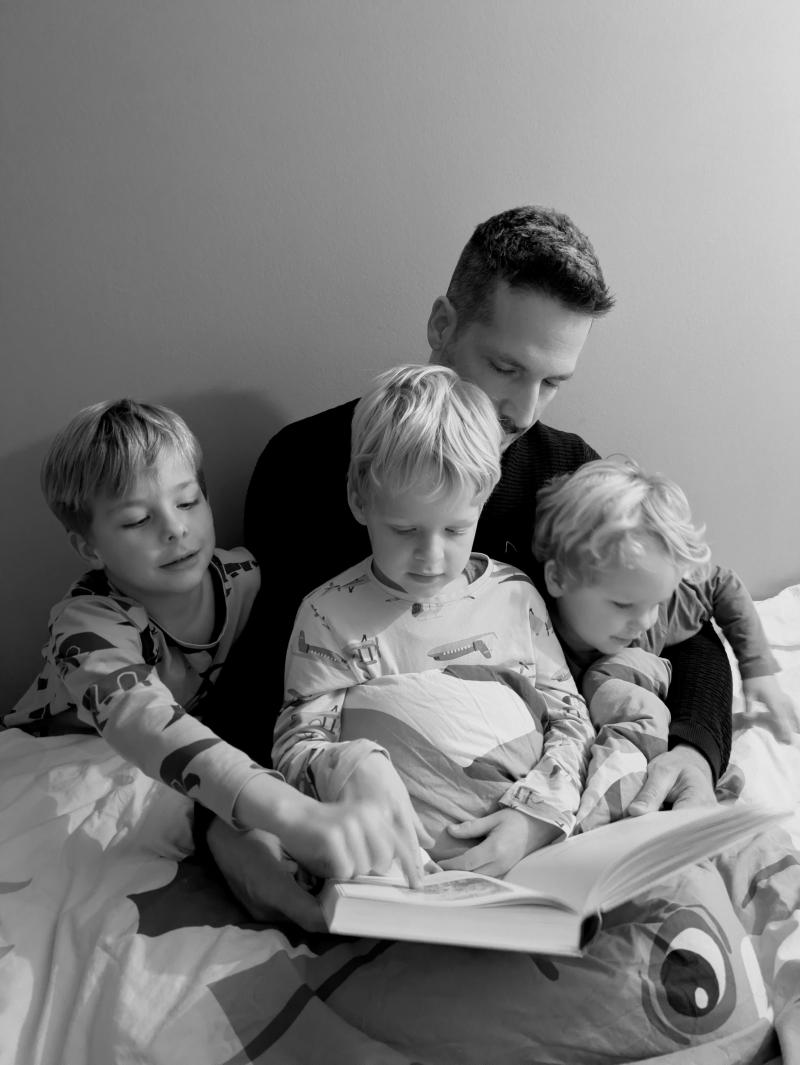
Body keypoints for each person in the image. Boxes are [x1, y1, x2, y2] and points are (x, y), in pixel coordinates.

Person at [201, 204, 733, 924]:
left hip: (533, 815)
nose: (524, 410)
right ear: (442, 324)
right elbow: (266, 673)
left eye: (554, 382)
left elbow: (678, 625)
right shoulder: (304, 465)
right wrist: (223, 824)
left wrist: (696, 749)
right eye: (506, 368)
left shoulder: (566, 474)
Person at [5, 399, 423, 889]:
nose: (175, 529)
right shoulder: (86, 623)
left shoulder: (251, 580)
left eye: (187, 502)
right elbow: (142, 721)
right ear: (88, 547)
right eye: (138, 520)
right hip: (76, 752)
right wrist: (289, 811)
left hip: (203, 755)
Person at [272, 364, 594, 878]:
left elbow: (570, 720)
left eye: (456, 529)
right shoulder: (327, 615)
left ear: (484, 499)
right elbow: (296, 747)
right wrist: (351, 766)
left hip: (528, 851)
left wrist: (535, 818)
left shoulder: (514, 596)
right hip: (394, 865)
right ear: (359, 499)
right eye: (404, 530)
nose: (431, 557)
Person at [532, 457, 793, 831]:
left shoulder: (669, 608)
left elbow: (724, 585)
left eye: (655, 602)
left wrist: (758, 670)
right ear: (558, 578)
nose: (645, 622)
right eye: (622, 604)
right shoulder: (532, 635)